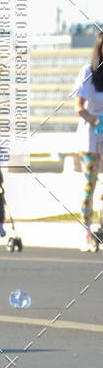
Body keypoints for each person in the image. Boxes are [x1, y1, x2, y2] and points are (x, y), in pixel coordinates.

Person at [74, 31, 103, 252]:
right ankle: (86, 232)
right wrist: (93, 119)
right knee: (89, 185)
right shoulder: (88, 72)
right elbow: (79, 107)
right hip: (91, 137)